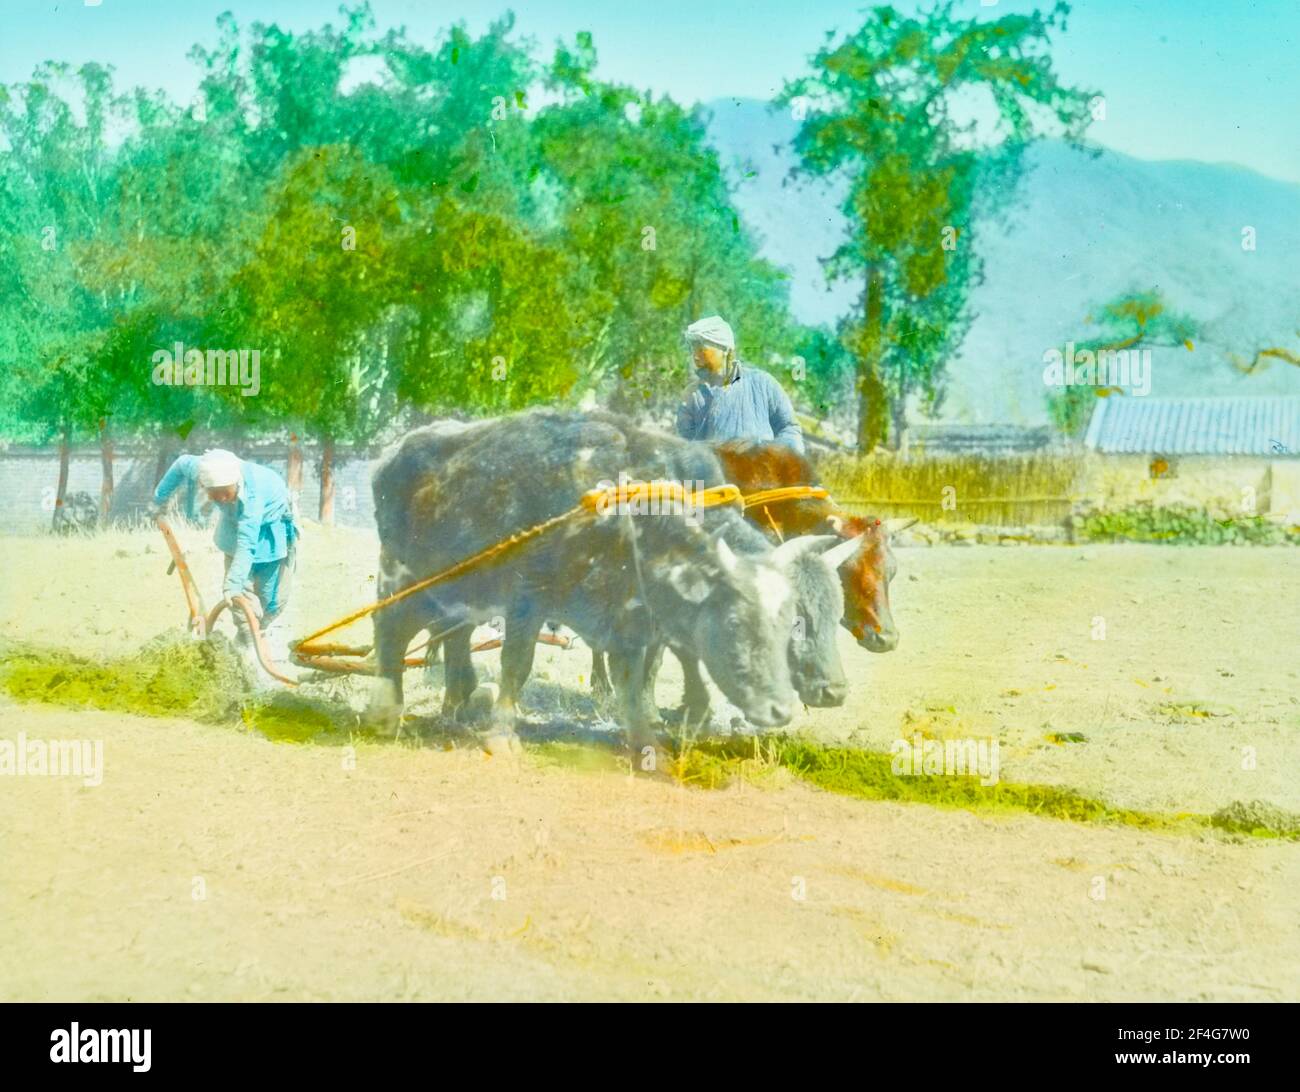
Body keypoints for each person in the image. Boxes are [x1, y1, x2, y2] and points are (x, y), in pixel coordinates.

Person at [149, 449, 299, 677]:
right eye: (213, 494)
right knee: (242, 607)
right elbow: (180, 464)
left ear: (236, 483)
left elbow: (247, 543)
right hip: (233, 533)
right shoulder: (205, 468)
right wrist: (158, 501)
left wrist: (233, 584)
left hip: (271, 535)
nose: (220, 499)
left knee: (273, 602)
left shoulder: (253, 495)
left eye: (225, 494)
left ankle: (255, 638)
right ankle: (248, 657)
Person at [675, 315, 804, 453]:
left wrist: (762, 448)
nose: (695, 355)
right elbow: (685, 447)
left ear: (725, 349)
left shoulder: (763, 384)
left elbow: (791, 432)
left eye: (701, 348)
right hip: (715, 474)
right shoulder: (693, 396)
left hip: (762, 471)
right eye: (692, 348)